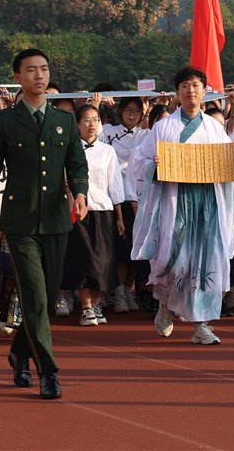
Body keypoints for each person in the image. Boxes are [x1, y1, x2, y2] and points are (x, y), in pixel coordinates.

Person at [0, 49, 89, 400]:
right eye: (31, 70)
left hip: (57, 220)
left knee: (46, 300)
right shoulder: (6, 121)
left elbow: (77, 164)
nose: (39, 75)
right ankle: (47, 371)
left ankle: (20, 352)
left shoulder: (65, 120)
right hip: (19, 223)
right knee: (34, 295)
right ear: (18, 78)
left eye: (44, 69)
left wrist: (80, 193)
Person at [130, 66, 234, 345]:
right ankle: (166, 305)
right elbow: (138, 163)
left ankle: (201, 325)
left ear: (204, 91)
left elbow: (227, 165)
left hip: (208, 204)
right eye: (185, 86)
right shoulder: (163, 127)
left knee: (207, 262)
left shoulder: (214, 128)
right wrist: (153, 165)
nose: (191, 90)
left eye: (195, 85)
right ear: (177, 93)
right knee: (175, 261)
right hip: (175, 202)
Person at [62, 104, 125, 326]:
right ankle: (87, 309)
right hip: (79, 212)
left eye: (96, 119)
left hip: (104, 211)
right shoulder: (69, 150)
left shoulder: (107, 151)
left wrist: (119, 217)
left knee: (104, 261)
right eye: (87, 120)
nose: (92, 124)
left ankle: (96, 306)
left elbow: (115, 185)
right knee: (83, 261)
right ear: (77, 124)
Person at [102, 96, 150, 314]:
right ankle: (118, 291)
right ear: (119, 111)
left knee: (134, 249)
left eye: (137, 111)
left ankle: (128, 292)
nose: (132, 114)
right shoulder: (108, 131)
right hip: (113, 196)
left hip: (138, 198)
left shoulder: (145, 135)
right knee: (120, 249)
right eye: (128, 109)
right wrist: (96, 104)